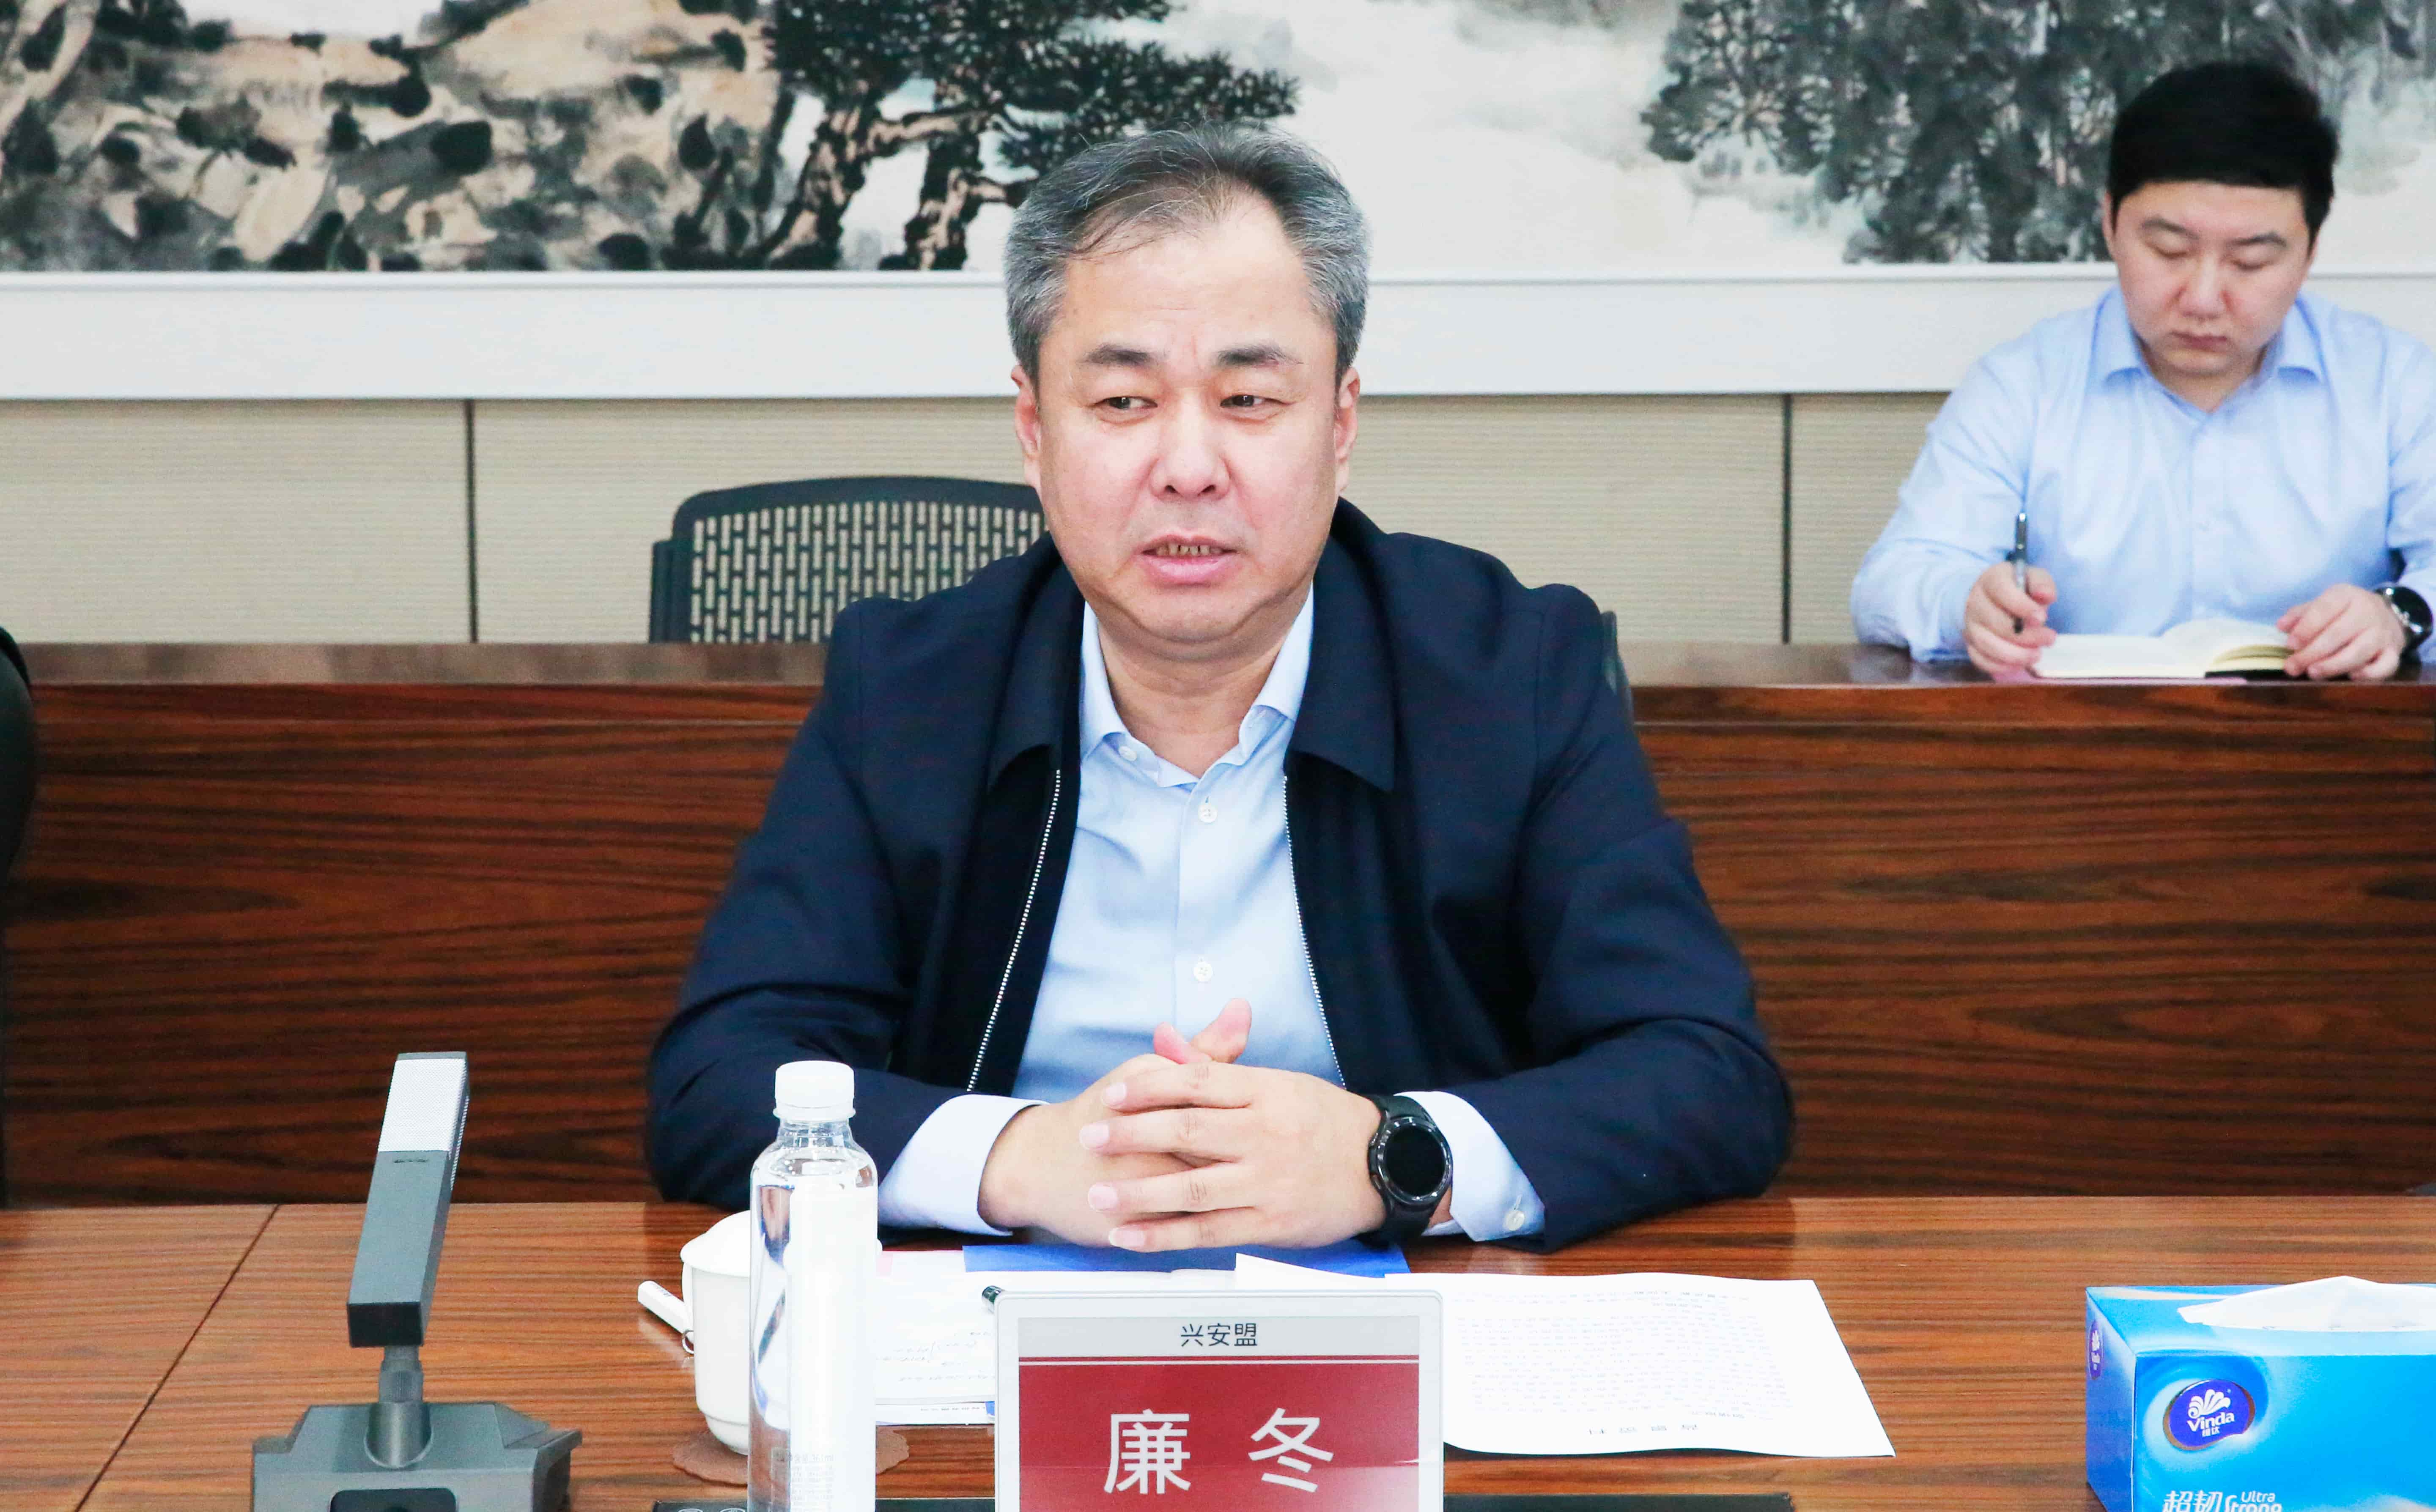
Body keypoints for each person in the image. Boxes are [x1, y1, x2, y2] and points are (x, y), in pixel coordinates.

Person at [647, 125, 1789, 1254]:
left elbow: (1707, 1073)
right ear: (1035, 431)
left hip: (1401, 1328)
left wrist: (1388, 1160)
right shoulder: (910, 686)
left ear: (1340, 424)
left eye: (1248, 401)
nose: (1189, 469)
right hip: (1004, 1319)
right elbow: (719, 1078)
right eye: (1123, 403)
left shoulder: (1511, 670)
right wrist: (1020, 1158)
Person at [1852, 60, 2436, 679]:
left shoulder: (2394, 384)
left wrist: (2398, 614)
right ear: (2109, 223)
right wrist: (1965, 604)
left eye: (2251, 262)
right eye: (2169, 251)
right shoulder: (2022, 386)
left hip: (2328, 735)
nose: (2204, 299)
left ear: (2310, 250)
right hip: (2084, 734)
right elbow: (1892, 581)